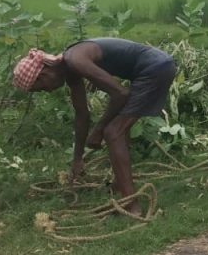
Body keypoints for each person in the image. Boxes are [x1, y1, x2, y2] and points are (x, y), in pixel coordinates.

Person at [12, 38, 177, 216]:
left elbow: (121, 94)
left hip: (156, 68)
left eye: (42, 88)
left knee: (113, 132)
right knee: (118, 130)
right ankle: (119, 185)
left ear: (43, 74)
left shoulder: (75, 60)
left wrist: (98, 130)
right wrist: (77, 159)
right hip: (155, 67)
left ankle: (131, 206)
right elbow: (82, 115)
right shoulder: (71, 70)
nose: (49, 91)